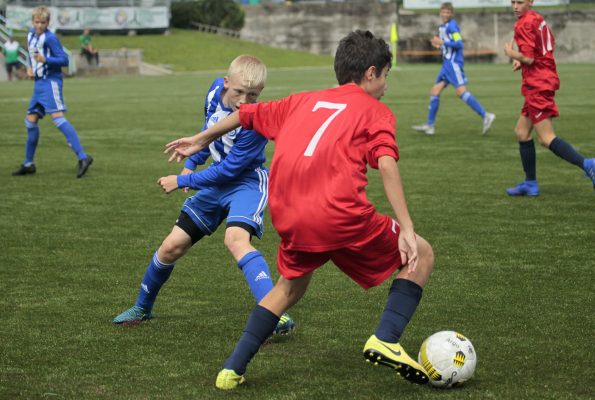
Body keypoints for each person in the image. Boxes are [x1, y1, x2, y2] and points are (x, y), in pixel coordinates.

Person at [165, 30, 434, 390]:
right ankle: (386, 337)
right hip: (340, 214)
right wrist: (407, 228)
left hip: (288, 213)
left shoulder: (303, 100)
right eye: (386, 75)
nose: (386, 85)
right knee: (422, 254)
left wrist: (201, 137)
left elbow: (246, 114)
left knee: (289, 286)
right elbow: (386, 164)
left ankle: (231, 370)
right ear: (371, 73)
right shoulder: (376, 111)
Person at [113, 55, 295, 336]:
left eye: (253, 95)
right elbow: (208, 131)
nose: (244, 101)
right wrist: (192, 160)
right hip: (215, 184)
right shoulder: (213, 92)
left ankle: (274, 311)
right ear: (225, 83)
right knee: (170, 246)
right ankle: (142, 307)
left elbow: (229, 171)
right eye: (238, 92)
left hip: (246, 183)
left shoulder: (257, 120)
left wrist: (183, 179)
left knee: (235, 240)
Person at [503, 0, 595, 196]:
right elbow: (547, 45)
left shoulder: (524, 23)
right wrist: (520, 61)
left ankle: (589, 165)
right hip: (540, 80)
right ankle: (530, 184)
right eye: (512, 1)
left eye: (519, 2)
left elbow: (529, 58)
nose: (515, 6)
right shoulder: (537, 18)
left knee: (546, 138)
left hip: (538, 84)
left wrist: (512, 53)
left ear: (530, 1)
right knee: (522, 132)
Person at [12, 6, 93, 178]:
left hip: (51, 82)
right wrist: (29, 68)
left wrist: (45, 60)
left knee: (58, 117)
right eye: (36, 22)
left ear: (48, 23)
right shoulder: (30, 35)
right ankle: (28, 164)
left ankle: (83, 157)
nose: (39, 25)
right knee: (30, 121)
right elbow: (30, 54)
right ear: (32, 22)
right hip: (39, 84)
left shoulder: (50, 38)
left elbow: (64, 59)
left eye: (43, 22)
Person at [412, 2, 495, 136]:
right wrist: (439, 46)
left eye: (448, 12)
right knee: (435, 91)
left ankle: (486, 115)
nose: (445, 14)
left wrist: (442, 43)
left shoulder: (452, 26)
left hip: (453, 64)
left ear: (452, 14)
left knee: (461, 92)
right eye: (443, 12)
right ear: (440, 13)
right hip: (446, 64)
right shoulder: (442, 27)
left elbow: (459, 43)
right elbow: (446, 45)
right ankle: (430, 126)